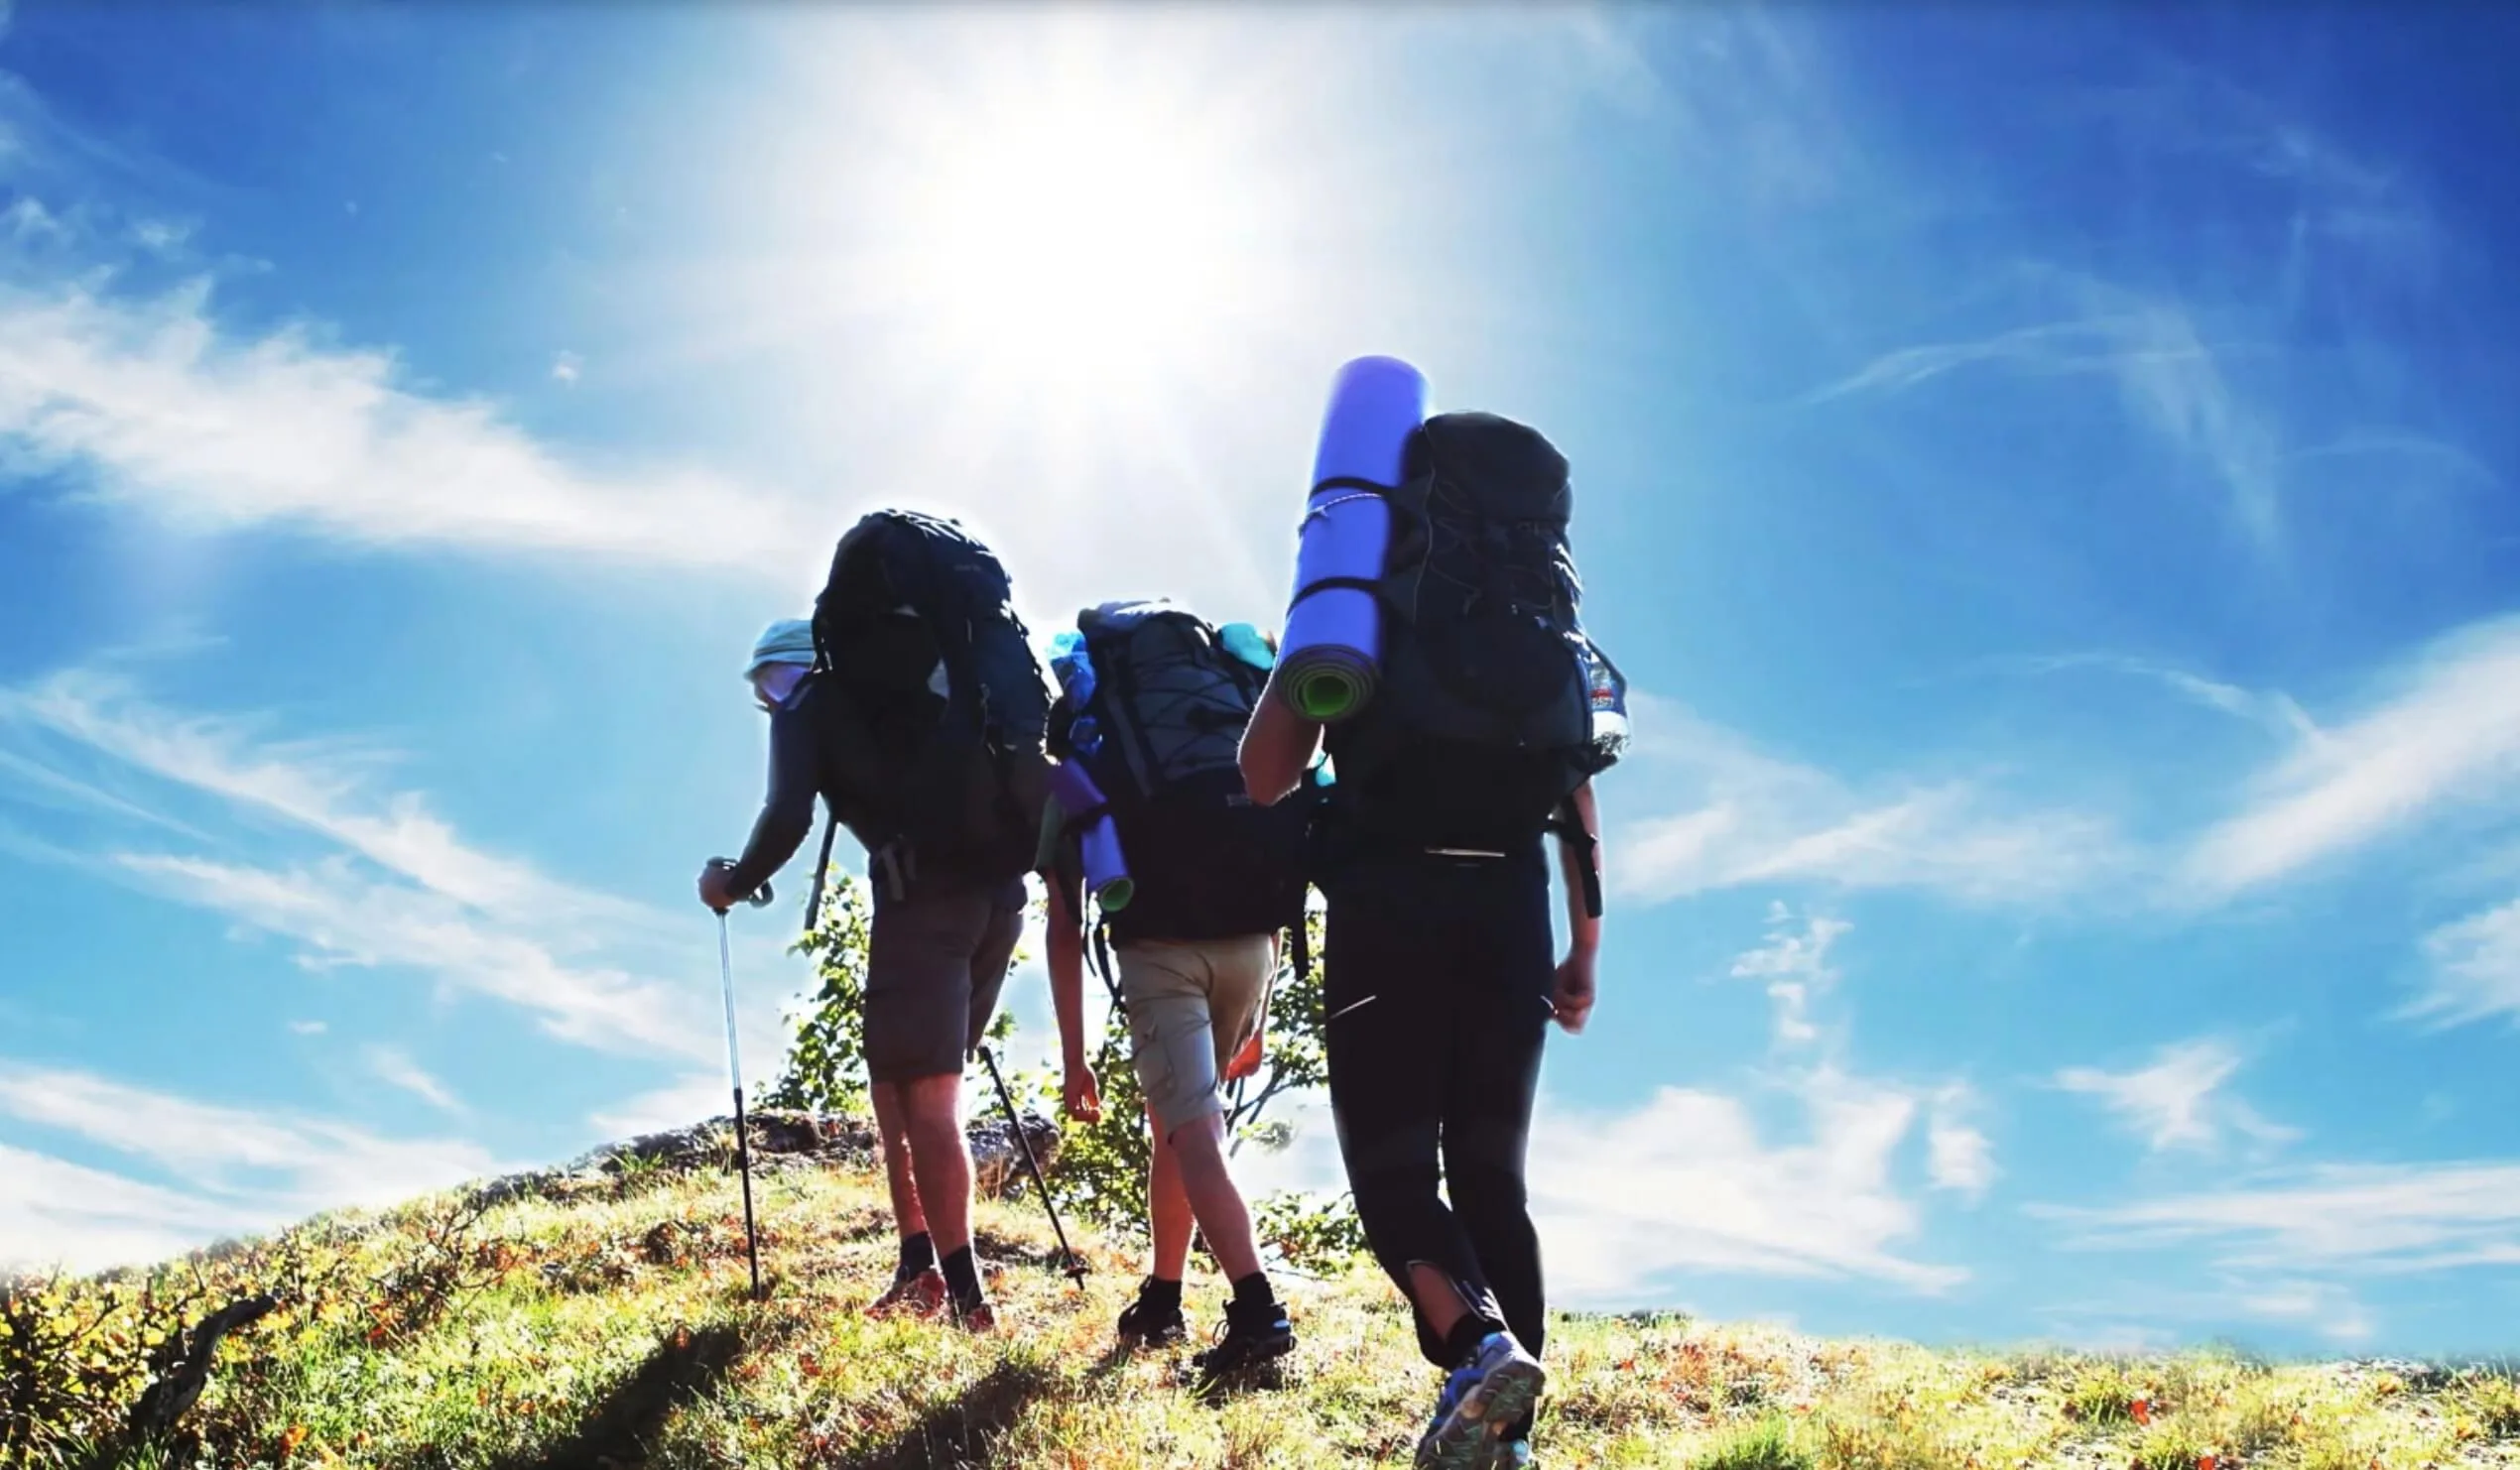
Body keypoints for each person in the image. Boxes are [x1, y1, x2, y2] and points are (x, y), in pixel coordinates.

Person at [1239, 410, 1615, 1470]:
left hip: (1387, 906)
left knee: (1396, 1175)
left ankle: (1475, 1346)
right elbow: (1575, 800)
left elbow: (1262, 776)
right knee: (1493, 1178)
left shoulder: (1359, 609)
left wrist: (1308, 649)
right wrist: (1583, 948)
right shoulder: (1546, 624)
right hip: (1509, 908)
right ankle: (1509, 1442)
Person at [698, 616, 1035, 1332]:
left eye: (773, 682)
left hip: (924, 905)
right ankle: (919, 1267)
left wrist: (733, 883)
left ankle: (968, 1302)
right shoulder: (921, 697)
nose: (774, 699)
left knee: (928, 1102)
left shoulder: (810, 705)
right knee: (895, 1090)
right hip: (1001, 900)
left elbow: (787, 813)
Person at [1038, 602, 1305, 1375]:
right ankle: (1162, 1296)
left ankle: (1258, 1312)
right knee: (1176, 1126)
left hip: (1162, 952)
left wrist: (1073, 1060)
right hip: (1254, 944)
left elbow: (1064, 926)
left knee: (1194, 1133)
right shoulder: (1220, 716)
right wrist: (1259, 1005)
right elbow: (1275, 844)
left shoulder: (1091, 753)